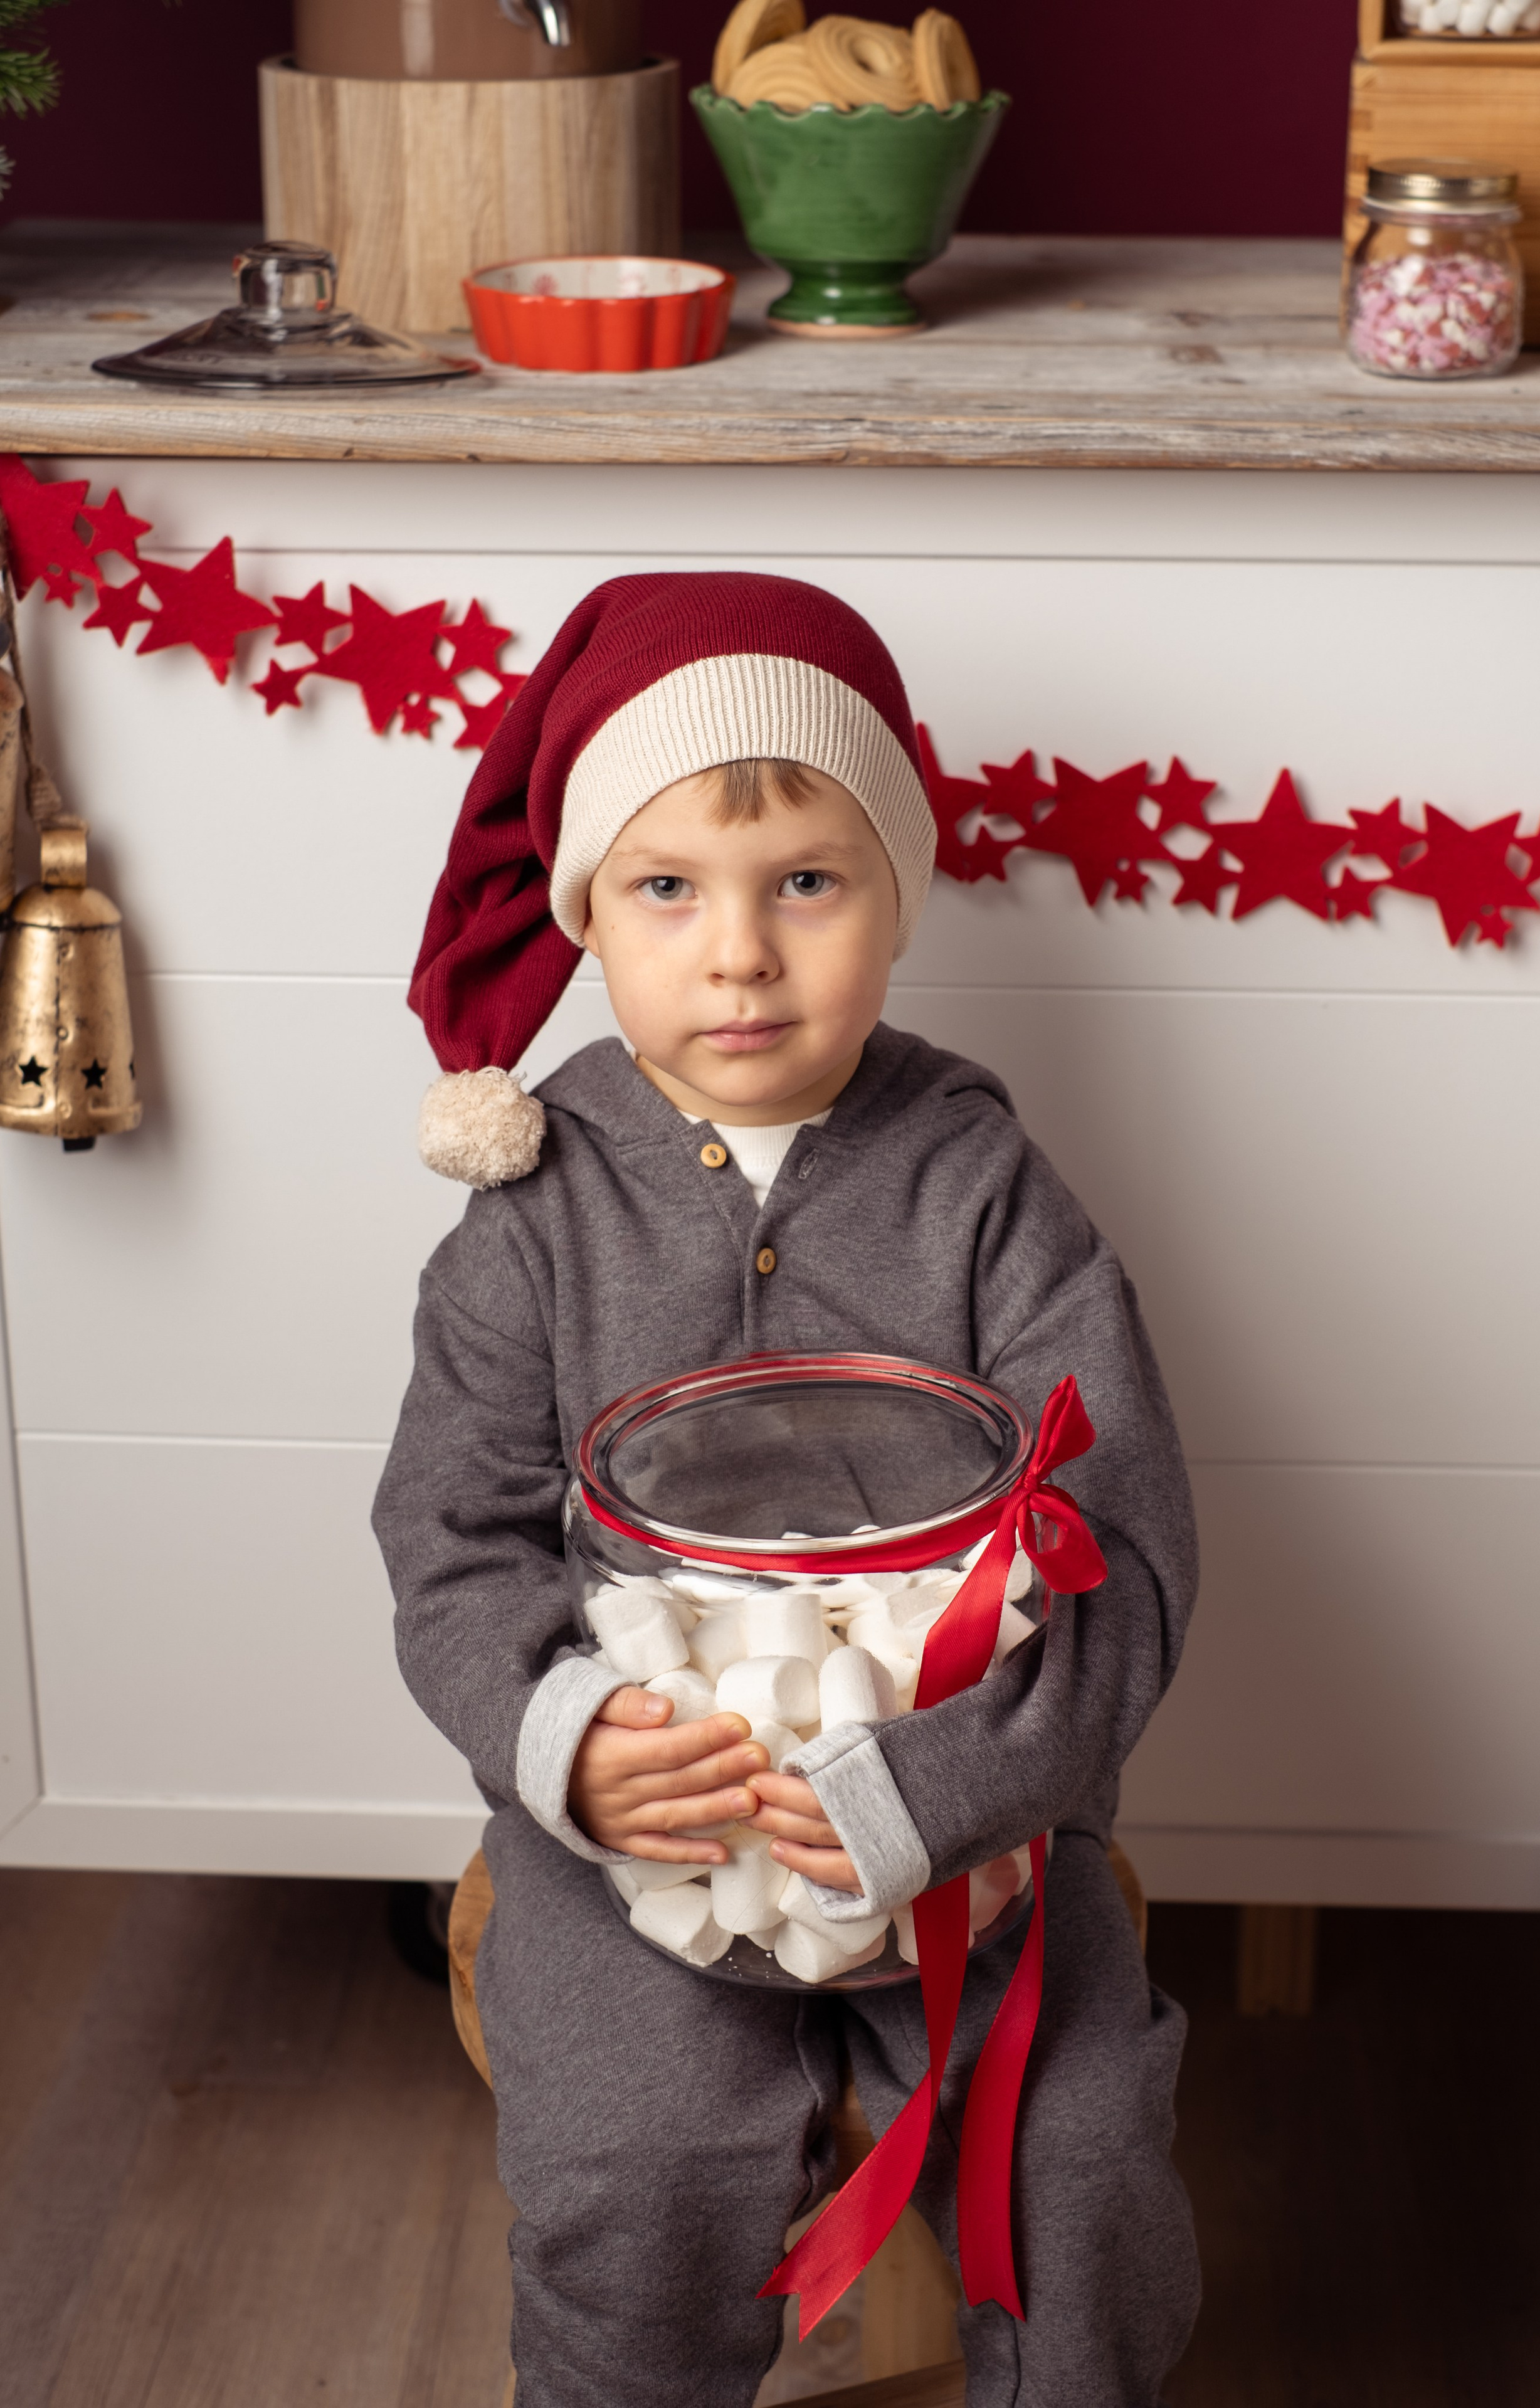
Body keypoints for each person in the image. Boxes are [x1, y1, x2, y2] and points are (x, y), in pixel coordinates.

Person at [372, 572, 1201, 2408]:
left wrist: (956, 1786)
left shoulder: (985, 1194)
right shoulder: (533, 1224)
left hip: (968, 1859)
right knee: (636, 2183)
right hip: (639, 1853)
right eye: (669, 888)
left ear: (899, 894)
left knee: (1080, 2178)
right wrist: (566, 1738)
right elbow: (452, 1540)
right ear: (589, 912)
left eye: (805, 883)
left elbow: (1126, 1542)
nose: (739, 952)